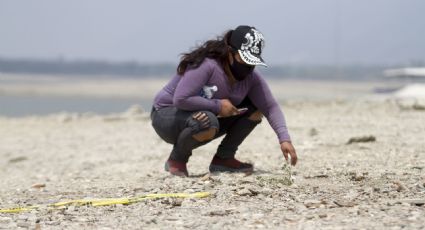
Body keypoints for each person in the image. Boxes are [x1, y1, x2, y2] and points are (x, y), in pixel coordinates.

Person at [151, 25, 297, 177]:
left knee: (255, 109)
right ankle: (177, 160)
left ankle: (223, 159)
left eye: (252, 61)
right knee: (207, 120)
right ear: (230, 52)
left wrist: (284, 138)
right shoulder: (207, 65)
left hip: (203, 116)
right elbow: (181, 99)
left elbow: (270, 107)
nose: (248, 66)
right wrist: (218, 105)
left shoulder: (251, 77)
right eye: (244, 59)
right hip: (167, 115)